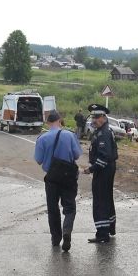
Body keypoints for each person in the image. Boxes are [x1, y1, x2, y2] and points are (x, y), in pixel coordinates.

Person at [34, 110, 83, 251]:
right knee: (70, 207)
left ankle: (56, 238)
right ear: (60, 120)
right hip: (68, 176)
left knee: (53, 208)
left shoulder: (42, 138)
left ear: (48, 122)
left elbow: (38, 160)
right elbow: (77, 155)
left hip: (52, 178)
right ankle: (67, 231)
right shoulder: (70, 135)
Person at [83, 104, 118, 243]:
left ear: (104, 117)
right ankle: (109, 228)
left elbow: (104, 157)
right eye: (93, 117)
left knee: (100, 201)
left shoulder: (103, 133)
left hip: (103, 171)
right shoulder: (103, 130)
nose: (94, 120)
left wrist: (91, 169)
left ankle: (102, 234)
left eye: (97, 117)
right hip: (107, 170)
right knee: (107, 199)